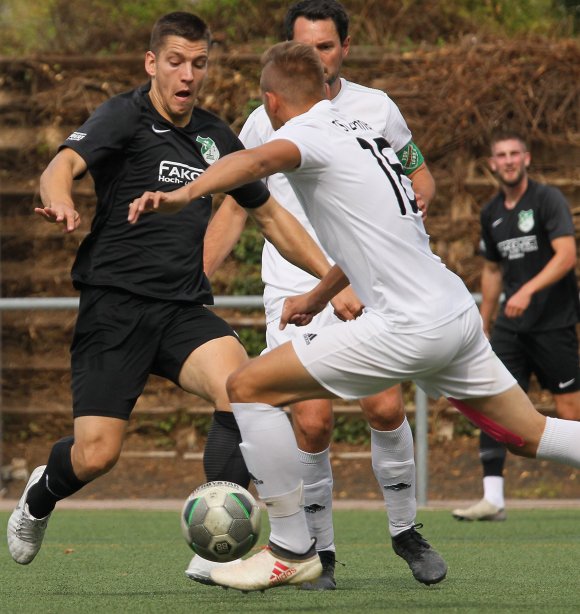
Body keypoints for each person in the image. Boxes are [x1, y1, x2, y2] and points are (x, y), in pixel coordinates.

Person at [128, 41, 580, 593]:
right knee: (529, 433)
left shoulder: (306, 134)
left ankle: (293, 548)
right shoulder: (364, 134)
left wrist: (183, 194)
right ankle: (324, 542)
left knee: (246, 386)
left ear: (271, 104)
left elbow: (256, 161)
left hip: (407, 326)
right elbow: (375, 236)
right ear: (322, 87)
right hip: (452, 312)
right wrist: (320, 295)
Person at [6, 12, 341, 568]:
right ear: (152, 63)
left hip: (183, 308)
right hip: (114, 307)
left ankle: (223, 549)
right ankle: (41, 497)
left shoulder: (216, 137)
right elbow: (61, 164)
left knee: (244, 386)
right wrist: (61, 197)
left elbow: (273, 219)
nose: (188, 74)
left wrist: (333, 282)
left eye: (199, 63)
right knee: (95, 455)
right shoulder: (124, 116)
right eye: (176, 62)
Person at [196, 0, 445, 590]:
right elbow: (237, 205)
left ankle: (405, 531)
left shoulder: (376, 108)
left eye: (327, 47)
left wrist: (412, 209)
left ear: (346, 48)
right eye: (307, 49)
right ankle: (321, 555)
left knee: (385, 407)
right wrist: (192, 280)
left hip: (365, 281)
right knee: (311, 425)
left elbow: (419, 172)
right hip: (294, 288)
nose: (319, 59)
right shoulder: (265, 120)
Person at [452, 131, 580, 521]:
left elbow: (566, 256)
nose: (507, 161)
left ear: (526, 159)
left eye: (514, 154)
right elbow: (491, 271)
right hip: (510, 327)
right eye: (500, 156)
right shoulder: (491, 211)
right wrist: (483, 324)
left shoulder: (547, 200)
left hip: (553, 323)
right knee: (493, 402)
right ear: (492, 164)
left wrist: (527, 289)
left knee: (570, 411)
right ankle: (493, 499)